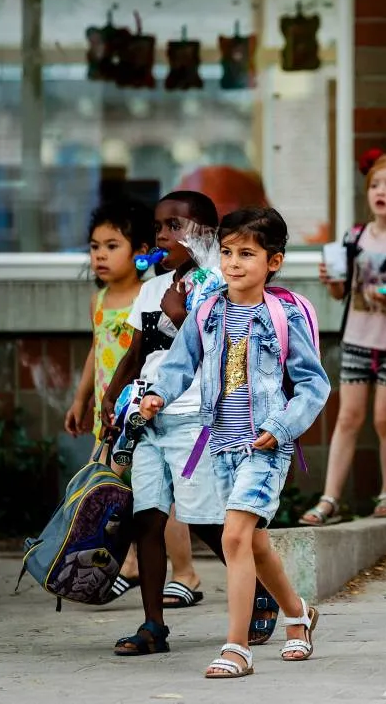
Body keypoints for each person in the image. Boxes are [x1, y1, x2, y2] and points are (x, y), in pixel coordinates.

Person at [139, 206, 331, 677]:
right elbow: (180, 362)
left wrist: (283, 427)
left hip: (266, 446)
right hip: (220, 445)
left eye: (247, 253)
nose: (233, 263)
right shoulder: (207, 310)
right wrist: (158, 394)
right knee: (255, 543)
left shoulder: (284, 316)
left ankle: (236, 646)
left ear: (275, 261)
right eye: (227, 252)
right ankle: (298, 614)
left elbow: (313, 385)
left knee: (235, 537)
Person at [102, 191, 278, 654]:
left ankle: (262, 590)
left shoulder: (223, 281)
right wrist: (113, 396)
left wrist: (185, 317)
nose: (162, 235)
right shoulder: (153, 287)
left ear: (205, 232)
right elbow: (141, 349)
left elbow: (221, 347)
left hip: (196, 416)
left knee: (206, 518)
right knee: (149, 518)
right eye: (159, 226)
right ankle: (153, 626)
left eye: (175, 226)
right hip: (148, 416)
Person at [299, 154, 386, 525]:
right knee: (347, 417)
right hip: (358, 338)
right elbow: (344, 294)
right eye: (375, 185)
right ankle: (329, 499)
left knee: (384, 420)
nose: (381, 192)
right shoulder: (354, 238)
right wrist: (333, 282)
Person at [63, 198, 153, 597]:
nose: (100, 254)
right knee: (106, 488)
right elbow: (94, 351)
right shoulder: (98, 301)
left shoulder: (148, 297)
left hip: (138, 413)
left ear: (140, 253)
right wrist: (80, 400)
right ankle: (120, 562)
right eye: (95, 246)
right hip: (107, 416)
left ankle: (161, 568)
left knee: (145, 492)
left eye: (112, 245)